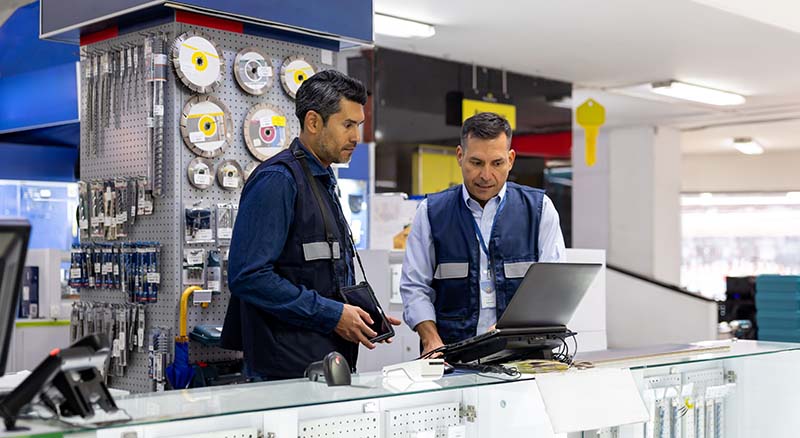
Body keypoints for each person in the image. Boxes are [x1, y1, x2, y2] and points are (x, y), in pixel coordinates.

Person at [221, 70, 400, 380]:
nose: (356, 137)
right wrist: (333, 314)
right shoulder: (278, 180)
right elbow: (249, 276)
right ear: (314, 122)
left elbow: (321, 273)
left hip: (324, 365)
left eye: (358, 126)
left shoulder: (321, 180)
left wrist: (358, 313)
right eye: (347, 125)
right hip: (283, 374)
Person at [400, 112, 566, 356]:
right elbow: (414, 287)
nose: (486, 175)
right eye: (476, 163)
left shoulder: (540, 209)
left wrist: (512, 330)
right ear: (460, 156)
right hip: (452, 354)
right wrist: (431, 339)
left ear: (510, 159)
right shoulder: (431, 212)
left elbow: (552, 287)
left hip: (522, 354)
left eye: (497, 163)